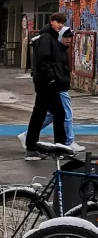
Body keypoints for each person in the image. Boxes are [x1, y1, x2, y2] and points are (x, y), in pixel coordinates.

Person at [24, 12, 70, 160]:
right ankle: (59, 148)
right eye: (58, 22)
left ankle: (31, 148)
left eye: (62, 23)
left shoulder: (50, 37)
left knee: (39, 115)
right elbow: (44, 60)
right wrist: (51, 78)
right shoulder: (46, 38)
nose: (61, 25)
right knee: (58, 113)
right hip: (47, 84)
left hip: (45, 83)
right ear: (52, 22)